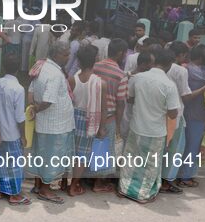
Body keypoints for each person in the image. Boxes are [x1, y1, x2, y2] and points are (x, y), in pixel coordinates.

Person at [118, 49, 179, 204]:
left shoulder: (138, 78)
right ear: (169, 65)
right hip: (156, 131)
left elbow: (130, 99)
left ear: (155, 60)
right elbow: (173, 114)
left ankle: (125, 189)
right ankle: (143, 194)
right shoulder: (169, 85)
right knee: (150, 165)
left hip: (136, 126)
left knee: (131, 160)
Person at [161, 42, 205, 194]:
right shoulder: (181, 71)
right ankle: (166, 181)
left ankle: (160, 179)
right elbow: (186, 96)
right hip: (175, 113)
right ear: (181, 55)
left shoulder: (159, 67)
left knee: (162, 149)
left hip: (160, 112)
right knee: (174, 150)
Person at [29, 41, 75, 204]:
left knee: (43, 154)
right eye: (66, 54)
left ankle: (39, 185)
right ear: (56, 55)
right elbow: (48, 100)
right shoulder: (54, 74)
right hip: (55, 125)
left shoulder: (42, 66)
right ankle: (45, 189)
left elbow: (31, 90)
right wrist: (36, 108)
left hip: (47, 123)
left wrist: (34, 107)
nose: (69, 57)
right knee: (51, 157)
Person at [68, 45, 108, 196]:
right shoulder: (100, 83)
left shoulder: (73, 79)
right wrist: (102, 128)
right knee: (82, 156)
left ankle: (66, 184)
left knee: (71, 152)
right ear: (95, 60)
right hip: (89, 120)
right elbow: (103, 109)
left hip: (73, 118)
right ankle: (74, 185)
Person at [178, 45, 205, 187]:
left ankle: (176, 173)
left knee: (181, 145)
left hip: (183, 112)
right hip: (198, 115)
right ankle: (186, 176)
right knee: (192, 147)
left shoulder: (184, 69)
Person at [0, 54, 30, 205]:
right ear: (17, 70)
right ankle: (14, 194)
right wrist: (23, 135)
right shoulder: (19, 89)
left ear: (3, 67)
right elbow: (19, 117)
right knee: (15, 165)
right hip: (13, 133)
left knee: (1, 162)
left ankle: (3, 189)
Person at [92, 38, 128, 184]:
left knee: (90, 146)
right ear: (120, 53)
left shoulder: (95, 67)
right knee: (103, 148)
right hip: (109, 116)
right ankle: (98, 183)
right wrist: (118, 126)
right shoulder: (121, 74)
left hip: (91, 113)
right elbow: (120, 103)